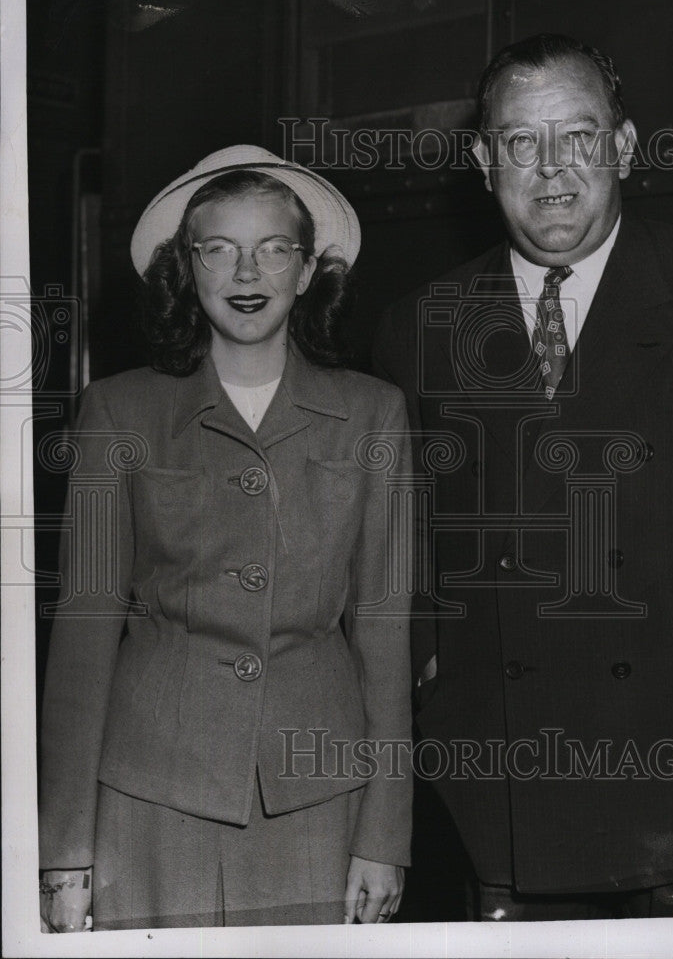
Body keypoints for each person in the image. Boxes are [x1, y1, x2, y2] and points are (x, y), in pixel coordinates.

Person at [373, 34, 673, 920]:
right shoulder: (419, 323)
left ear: (621, 145)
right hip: (503, 795)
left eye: (577, 136)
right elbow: (406, 553)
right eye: (517, 141)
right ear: (480, 158)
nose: (549, 170)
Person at [38, 145, 412, 930]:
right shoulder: (119, 410)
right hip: (147, 797)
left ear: (308, 272)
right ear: (187, 268)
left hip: (315, 797)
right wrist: (64, 847)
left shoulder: (373, 413)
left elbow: (383, 634)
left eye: (273, 248)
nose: (248, 272)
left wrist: (385, 835)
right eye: (219, 249)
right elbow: (84, 631)